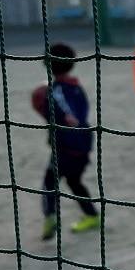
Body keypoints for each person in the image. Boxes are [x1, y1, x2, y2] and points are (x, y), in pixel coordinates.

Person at [38, 43, 99, 240]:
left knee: (50, 181)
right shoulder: (77, 87)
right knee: (74, 181)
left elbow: (65, 115)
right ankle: (92, 216)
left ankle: (51, 217)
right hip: (84, 142)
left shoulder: (53, 91)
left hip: (66, 145)